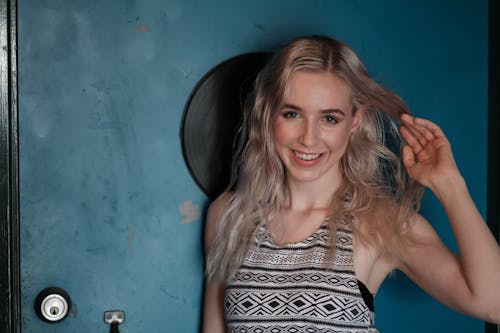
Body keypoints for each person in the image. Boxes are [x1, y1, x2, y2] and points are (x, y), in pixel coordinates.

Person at [202, 35, 500, 332]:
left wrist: (449, 184)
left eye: (329, 119)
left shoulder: (380, 224)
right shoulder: (229, 215)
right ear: (267, 113)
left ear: (355, 121)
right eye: (292, 114)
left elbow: (493, 303)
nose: (308, 137)